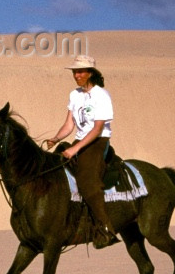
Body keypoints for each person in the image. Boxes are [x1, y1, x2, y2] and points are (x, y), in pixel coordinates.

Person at [45, 55, 120, 249]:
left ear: (90, 73)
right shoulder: (74, 95)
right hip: (80, 140)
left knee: (87, 181)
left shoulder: (101, 95)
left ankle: (106, 229)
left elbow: (97, 129)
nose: (76, 75)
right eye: (74, 72)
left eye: (80, 71)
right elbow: (69, 124)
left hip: (97, 141)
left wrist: (75, 148)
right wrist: (56, 139)